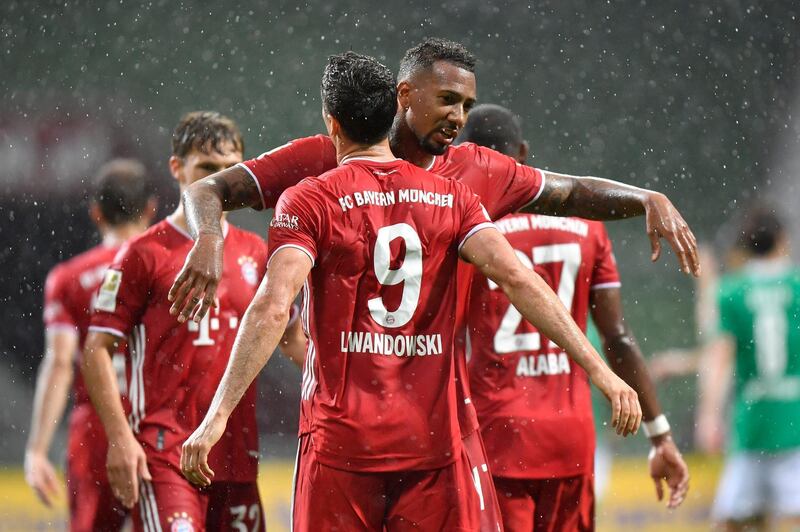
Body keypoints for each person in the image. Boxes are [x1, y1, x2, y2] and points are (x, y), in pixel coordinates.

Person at [168, 38, 698, 529]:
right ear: (403, 95)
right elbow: (207, 192)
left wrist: (645, 198)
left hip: (434, 432)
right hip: (367, 430)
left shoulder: (472, 172)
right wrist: (210, 241)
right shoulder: (326, 163)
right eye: (446, 99)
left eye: (466, 105)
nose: (457, 117)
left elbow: (569, 195)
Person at [458, 104, 689, 531]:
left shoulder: (470, 229)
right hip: (570, 438)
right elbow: (617, 338)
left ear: (464, 154)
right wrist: (660, 435)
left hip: (497, 433)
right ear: (523, 152)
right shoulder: (586, 226)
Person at [82, 111, 285, 532]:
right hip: (165, 452)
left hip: (235, 453)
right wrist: (120, 439)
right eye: (207, 169)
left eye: (230, 169)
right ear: (177, 168)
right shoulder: (143, 254)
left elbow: (294, 339)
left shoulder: (257, 253)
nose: (220, 181)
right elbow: (96, 349)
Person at [25, 159, 155, 531]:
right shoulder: (169, 268)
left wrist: (37, 448)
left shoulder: (69, 279)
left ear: (96, 214)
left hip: (96, 432)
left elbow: (61, 362)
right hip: (159, 423)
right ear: (151, 208)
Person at [696, 207, 800, 531]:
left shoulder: (732, 292)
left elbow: (720, 357)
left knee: (731, 522)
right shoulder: (797, 286)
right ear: (783, 240)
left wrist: (710, 415)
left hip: (753, 423)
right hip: (795, 420)